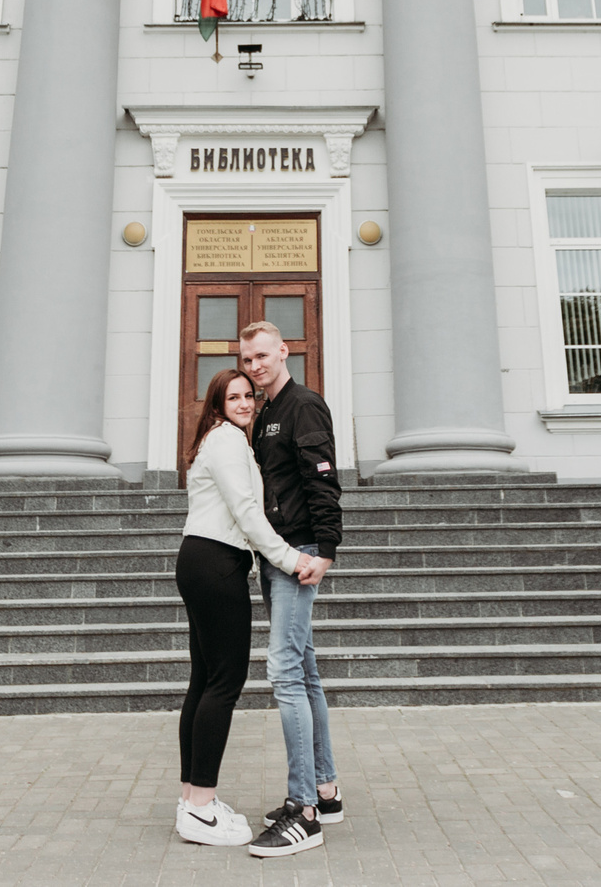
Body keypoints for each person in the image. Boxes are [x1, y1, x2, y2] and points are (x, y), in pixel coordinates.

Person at [173, 367, 329, 848]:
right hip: (216, 562)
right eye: (232, 397)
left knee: (204, 680)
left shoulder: (222, 440)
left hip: (201, 560)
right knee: (225, 682)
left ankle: (192, 799)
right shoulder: (226, 442)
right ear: (217, 405)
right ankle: (200, 807)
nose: (244, 403)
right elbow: (248, 513)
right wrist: (290, 557)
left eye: (249, 396)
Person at [236, 318, 345, 858]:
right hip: (276, 554)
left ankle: (303, 811)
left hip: (299, 552)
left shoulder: (303, 404)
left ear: (283, 351)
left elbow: (321, 476)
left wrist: (324, 551)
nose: (255, 366)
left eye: (262, 356)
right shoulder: (266, 414)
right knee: (303, 668)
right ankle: (324, 790)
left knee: (283, 670)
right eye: (247, 359)